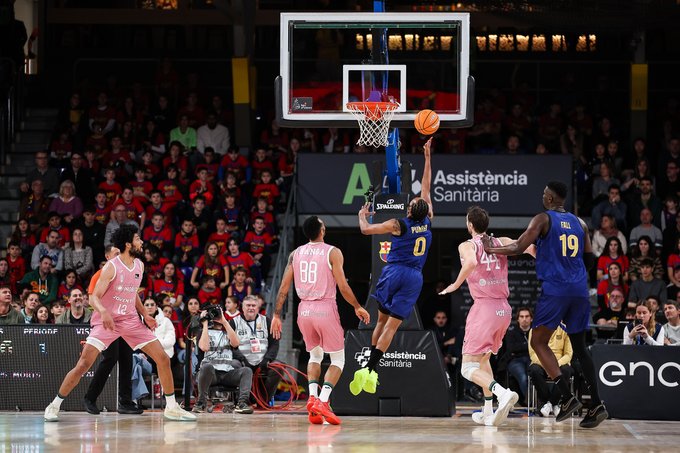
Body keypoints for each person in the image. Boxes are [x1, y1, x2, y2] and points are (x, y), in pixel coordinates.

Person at [482, 181, 608, 428]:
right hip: (580, 290)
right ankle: (596, 403)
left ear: (550, 198)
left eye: (543, 193)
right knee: (581, 347)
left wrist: (491, 248)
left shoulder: (542, 219)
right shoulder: (580, 223)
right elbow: (590, 258)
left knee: (538, 341)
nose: (542, 196)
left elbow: (518, 246)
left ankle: (567, 396)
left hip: (556, 289)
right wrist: (573, 273)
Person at [44, 225, 196, 422]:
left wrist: (145, 315)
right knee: (83, 365)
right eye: (138, 239)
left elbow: (132, 294)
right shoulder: (111, 267)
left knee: (163, 358)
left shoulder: (139, 266)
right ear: (127, 244)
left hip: (130, 321)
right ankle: (54, 405)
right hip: (106, 322)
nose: (141, 242)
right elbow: (93, 298)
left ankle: (172, 407)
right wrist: (104, 312)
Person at [350, 138, 433, 396]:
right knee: (392, 327)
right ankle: (371, 371)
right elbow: (427, 187)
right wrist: (427, 158)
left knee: (380, 321)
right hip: (415, 278)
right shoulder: (428, 219)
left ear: (410, 211)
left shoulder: (399, 224)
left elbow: (365, 231)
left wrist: (362, 215)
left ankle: (368, 368)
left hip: (394, 272)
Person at [271, 215, 370, 425]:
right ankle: (323, 401)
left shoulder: (295, 254)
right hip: (324, 307)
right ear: (322, 230)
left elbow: (283, 288)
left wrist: (276, 315)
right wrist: (357, 306)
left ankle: (313, 398)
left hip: (304, 310)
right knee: (338, 360)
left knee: (314, 356)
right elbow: (343, 286)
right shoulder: (333, 252)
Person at [439, 206, 522, 426]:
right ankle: (488, 409)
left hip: (484, 309)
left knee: (468, 368)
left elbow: (473, 262)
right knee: (484, 359)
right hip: (504, 310)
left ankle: (501, 393)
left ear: (470, 225)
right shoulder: (501, 241)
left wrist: (455, 285)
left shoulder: (467, 245)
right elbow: (528, 246)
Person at [193, 306, 254, 414]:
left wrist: (224, 321)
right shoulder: (203, 332)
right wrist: (205, 323)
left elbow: (235, 343)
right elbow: (204, 347)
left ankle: (242, 403)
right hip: (210, 374)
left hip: (227, 373)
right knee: (207, 366)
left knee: (247, 371)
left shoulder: (227, 333)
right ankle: (201, 403)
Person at [231, 295, 280, 407]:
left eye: (254, 305)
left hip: (262, 360)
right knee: (233, 364)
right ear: (242, 308)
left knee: (278, 367)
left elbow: (275, 343)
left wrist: (267, 359)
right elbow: (230, 346)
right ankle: (241, 398)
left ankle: (263, 400)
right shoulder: (234, 323)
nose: (251, 308)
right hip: (242, 361)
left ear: (258, 308)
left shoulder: (267, 321)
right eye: (248, 305)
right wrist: (242, 358)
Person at [528, 326, 574, 417]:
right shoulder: (534, 329)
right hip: (541, 362)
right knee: (534, 370)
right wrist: (547, 366)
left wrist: (554, 366)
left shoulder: (565, 329)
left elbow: (568, 354)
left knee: (566, 370)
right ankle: (552, 404)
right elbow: (532, 353)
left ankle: (549, 404)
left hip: (559, 363)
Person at [501, 307, 533, 404]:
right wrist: (528, 346)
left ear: (531, 319)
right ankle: (530, 403)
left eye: (527, 316)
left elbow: (538, 347)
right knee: (523, 377)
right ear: (518, 319)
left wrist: (520, 347)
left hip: (532, 359)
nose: (524, 319)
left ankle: (539, 402)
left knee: (534, 375)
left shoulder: (535, 332)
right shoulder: (511, 333)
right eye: (521, 316)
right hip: (515, 360)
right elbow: (511, 349)